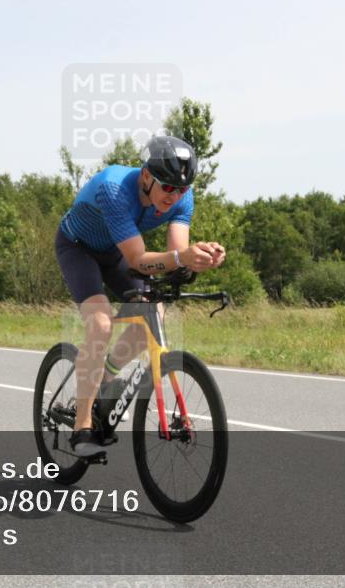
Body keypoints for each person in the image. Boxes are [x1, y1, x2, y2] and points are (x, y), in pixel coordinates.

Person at [55, 136, 226, 457]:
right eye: (168, 188)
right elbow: (138, 259)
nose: (175, 196)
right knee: (101, 323)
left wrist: (202, 258)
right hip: (78, 248)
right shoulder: (115, 188)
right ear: (146, 176)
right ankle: (82, 427)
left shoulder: (181, 198)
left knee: (154, 313)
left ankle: (105, 376)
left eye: (183, 189)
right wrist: (182, 258)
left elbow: (176, 255)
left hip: (115, 252)